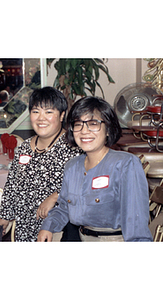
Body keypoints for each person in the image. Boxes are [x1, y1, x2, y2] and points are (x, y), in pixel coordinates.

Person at [37, 96, 153, 242]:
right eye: (78, 124)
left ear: (108, 130)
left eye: (93, 124)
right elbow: (64, 208)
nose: (84, 131)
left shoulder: (125, 164)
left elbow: (136, 224)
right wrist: (48, 226)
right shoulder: (72, 167)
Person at [0, 87, 83, 242]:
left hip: (58, 230)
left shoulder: (73, 148)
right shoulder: (24, 147)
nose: (41, 118)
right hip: (24, 227)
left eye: (49, 112)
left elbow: (85, 186)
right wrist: (5, 216)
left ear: (62, 115)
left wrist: (57, 195)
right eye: (36, 111)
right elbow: (12, 185)